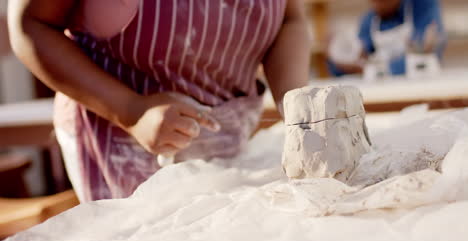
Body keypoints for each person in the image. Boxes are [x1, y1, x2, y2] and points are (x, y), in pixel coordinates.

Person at [8, 0, 312, 201]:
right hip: (119, 137)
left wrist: (296, 105)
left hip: (231, 128)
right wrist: (132, 111)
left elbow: (290, 19)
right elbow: (30, 25)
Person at [328, 0, 445, 76]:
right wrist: (336, 58)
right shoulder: (369, 20)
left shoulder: (423, 7)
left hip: (423, 85)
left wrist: (372, 70)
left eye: (382, 1)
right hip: (386, 89)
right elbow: (359, 57)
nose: (376, 5)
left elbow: (426, 54)